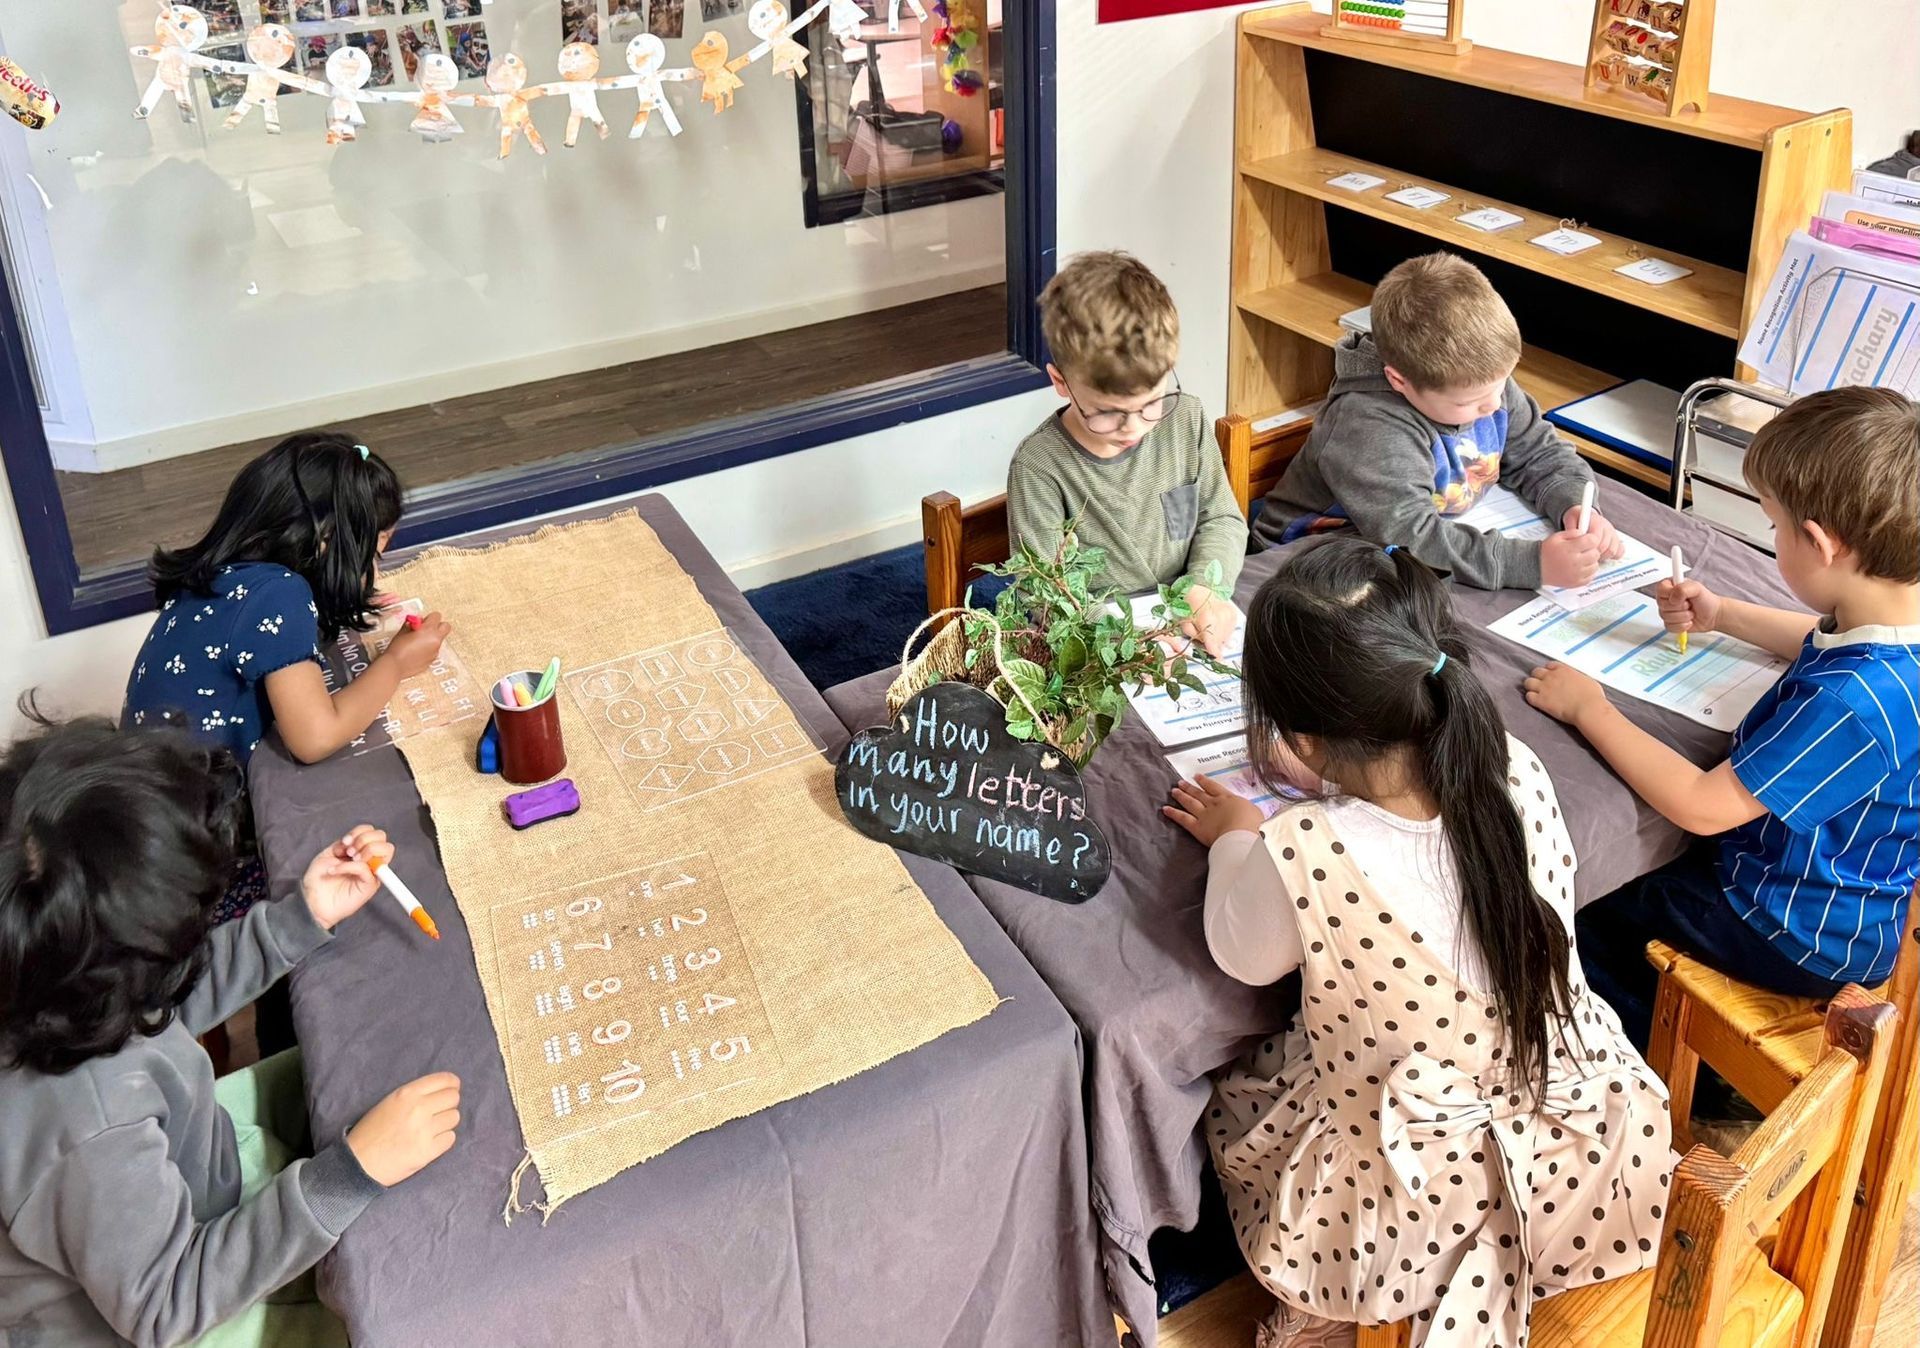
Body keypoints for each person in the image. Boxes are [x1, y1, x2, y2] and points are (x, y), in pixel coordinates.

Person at [1166, 539, 1670, 1347]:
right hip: (1584, 1141)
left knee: (1243, 1094)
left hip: (1405, 1193)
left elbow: (1242, 954)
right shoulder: (1511, 764)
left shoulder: (1302, 844)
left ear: (1302, 737)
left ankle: (1330, 1308)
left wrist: (1239, 835)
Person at [0, 713, 460, 1348]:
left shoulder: (53, 979)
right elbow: (167, 1307)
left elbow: (166, 1006)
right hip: (165, 1311)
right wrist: (350, 1174)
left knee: (366, 1071)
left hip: (185, 1174)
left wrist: (301, 917)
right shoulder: (90, 1128)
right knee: (406, 1307)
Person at [1526, 386, 1920, 1047]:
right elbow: (1817, 633)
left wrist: (1589, 708)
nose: (1772, 541)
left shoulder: (1852, 702)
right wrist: (1724, 615)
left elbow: (1701, 806)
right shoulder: (1893, 621)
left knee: (1587, 913)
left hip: (1794, 929)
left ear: (1821, 544)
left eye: (1774, 527)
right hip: (1850, 899)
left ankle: (1660, 1064)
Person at [1253, 253, 1624, 592]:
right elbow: (1410, 536)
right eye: (1470, 402)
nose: (1494, 406)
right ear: (1400, 381)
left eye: (1501, 385)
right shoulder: (1368, 425)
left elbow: (1539, 454)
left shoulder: (1480, 380)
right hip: (1307, 562)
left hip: (1405, 544)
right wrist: (1529, 563)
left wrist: (1574, 503)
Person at [1007, 250, 1248, 655]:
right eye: (1106, 413)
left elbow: (1220, 517)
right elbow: (1045, 596)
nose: (1133, 427)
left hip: (1187, 624)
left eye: (1151, 403)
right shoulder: (1039, 467)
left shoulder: (1184, 418)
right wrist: (1120, 638)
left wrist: (1207, 585)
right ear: (1060, 382)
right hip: (1096, 643)